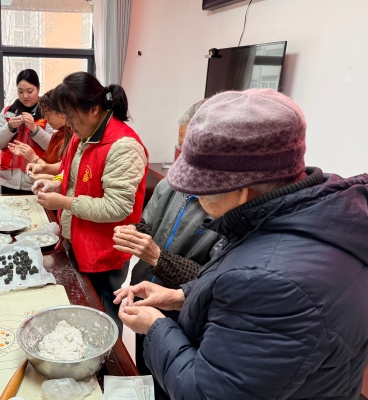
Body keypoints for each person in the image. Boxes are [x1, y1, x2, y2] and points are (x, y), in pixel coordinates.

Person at [114, 89, 368, 399]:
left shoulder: (274, 283)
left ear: (241, 191)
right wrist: (181, 296)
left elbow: (206, 393)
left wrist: (156, 327)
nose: (195, 198)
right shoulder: (313, 215)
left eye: (200, 190)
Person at [111, 101, 221, 399]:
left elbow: (214, 280)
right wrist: (134, 233)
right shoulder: (169, 185)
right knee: (145, 368)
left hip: (187, 311)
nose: (182, 162)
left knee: (174, 382)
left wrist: (158, 257)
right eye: (180, 150)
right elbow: (148, 225)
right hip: (147, 291)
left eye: (192, 153)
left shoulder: (227, 205)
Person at [32, 71, 148, 334]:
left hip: (105, 250)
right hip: (79, 239)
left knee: (103, 317)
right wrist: (56, 185)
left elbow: (117, 207)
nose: (68, 125)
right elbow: (75, 178)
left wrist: (65, 201)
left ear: (94, 110)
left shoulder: (123, 146)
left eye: (71, 117)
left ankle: (109, 357)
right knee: (83, 311)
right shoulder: (83, 133)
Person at [0, 69, 54, 194]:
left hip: (37, 178)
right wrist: (9, 127)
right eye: (20, 91)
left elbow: (53, 146)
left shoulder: (48, 112)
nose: (25, 96)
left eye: (30, 91)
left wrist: (34, 129)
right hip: (9, 180)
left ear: (38, 88)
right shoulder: (8, 112)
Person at [25, 88, 72, 181]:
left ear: (62, 113)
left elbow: (66, 172)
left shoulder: (74, 137)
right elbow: (48, 163)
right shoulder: (56, 136)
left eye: (48, 113)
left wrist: (34, 158)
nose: (46, 118)